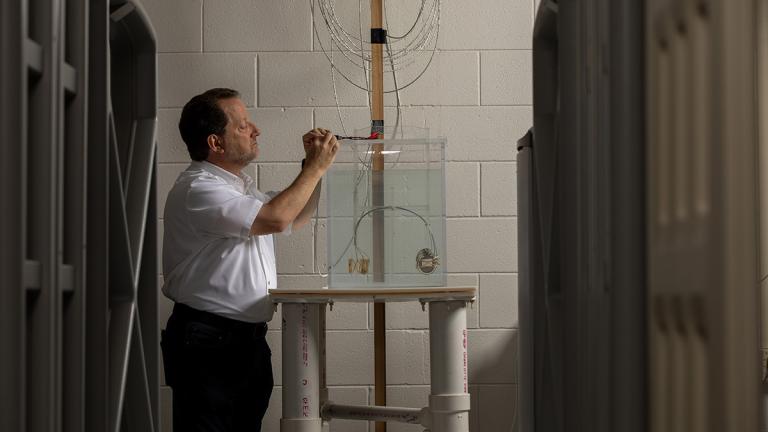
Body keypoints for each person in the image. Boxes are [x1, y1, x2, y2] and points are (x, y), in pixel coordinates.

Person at [160, 87, 339, 432]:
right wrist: (314, 169)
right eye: (243, 126)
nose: (256, 129)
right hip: (208, 343)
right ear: (215, 143)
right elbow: (277, 218)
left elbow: (294, 215)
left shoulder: (238, 188)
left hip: (243, 342)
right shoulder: (198, 189)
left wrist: (311, 167)